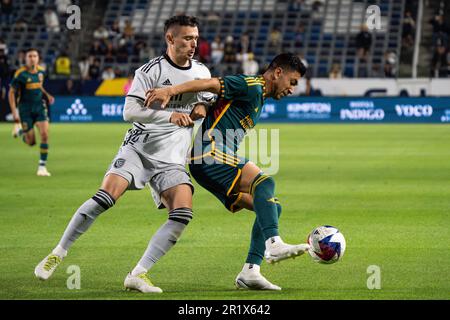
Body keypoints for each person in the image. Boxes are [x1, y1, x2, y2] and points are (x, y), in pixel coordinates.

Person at [34, 15, 214, 294]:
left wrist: (201, 107)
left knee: (182, 214)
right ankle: (59, 252)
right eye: (187, 38)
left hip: (172, 159)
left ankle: (138, 274)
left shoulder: (202, 72)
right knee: (105, 198)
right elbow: (129, 112)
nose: (194, 44)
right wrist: (171, 116)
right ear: (170, 39)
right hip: (139, 149)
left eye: (195, 38)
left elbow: (207, 98)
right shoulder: (149, 71)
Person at [144, 53, 310, 290]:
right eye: (292, 82)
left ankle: (250, 272)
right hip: (208, 152)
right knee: (264, 183)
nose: (292, 89)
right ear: (278, 73)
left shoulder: (259, 98)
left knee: (271, 207)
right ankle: (274, 244)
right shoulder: (252, 85)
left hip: (211, 162)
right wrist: (170, 92)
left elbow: (212, 97)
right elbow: (210, 83)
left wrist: (202, 104)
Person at [8, 48, 55, 176]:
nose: (32, 58)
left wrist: (47, 94)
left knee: (45, 134)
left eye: (35, 55)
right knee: (31, 142)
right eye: (30, 56)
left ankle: (42, 167)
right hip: (25, 109)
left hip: (39, 106)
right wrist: (14, 113)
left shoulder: (41, 72)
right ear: (25, 58)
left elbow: (39, 85)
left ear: (38, 58)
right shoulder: (20, 74)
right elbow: (11, 93)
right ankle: (21, 132)